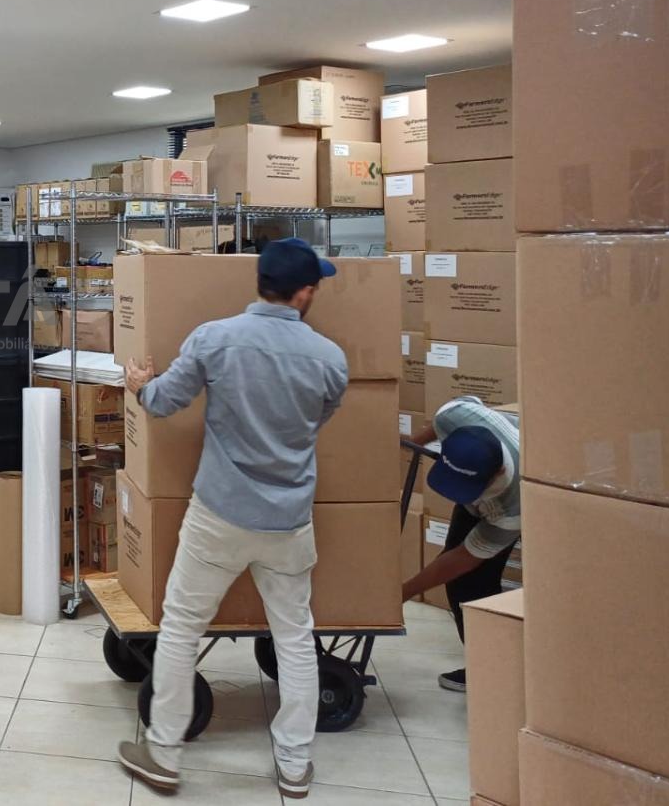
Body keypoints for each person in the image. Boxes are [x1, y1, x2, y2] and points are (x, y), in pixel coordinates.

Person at [115, 238, 348, 799]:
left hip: (219, 515)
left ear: (261, 283)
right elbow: (317, 421)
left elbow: (164, 402)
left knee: (181, 628)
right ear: (305, 293)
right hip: (289, 520)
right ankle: (294, 765)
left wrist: (140, 386)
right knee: (295, 637)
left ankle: (163, 756)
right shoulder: (330, 360)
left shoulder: (214, 338)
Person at [400, 395, 522, 691]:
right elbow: (450, 414)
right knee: (458, 579)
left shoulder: (511, 508)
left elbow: (461, 559)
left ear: (497, 473)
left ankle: (489, 668)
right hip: (481, 486)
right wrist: (411, 445)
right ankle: (487, 659)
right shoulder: (457, 415)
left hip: (503, 504)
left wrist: (401, 593)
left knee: (472, 585)